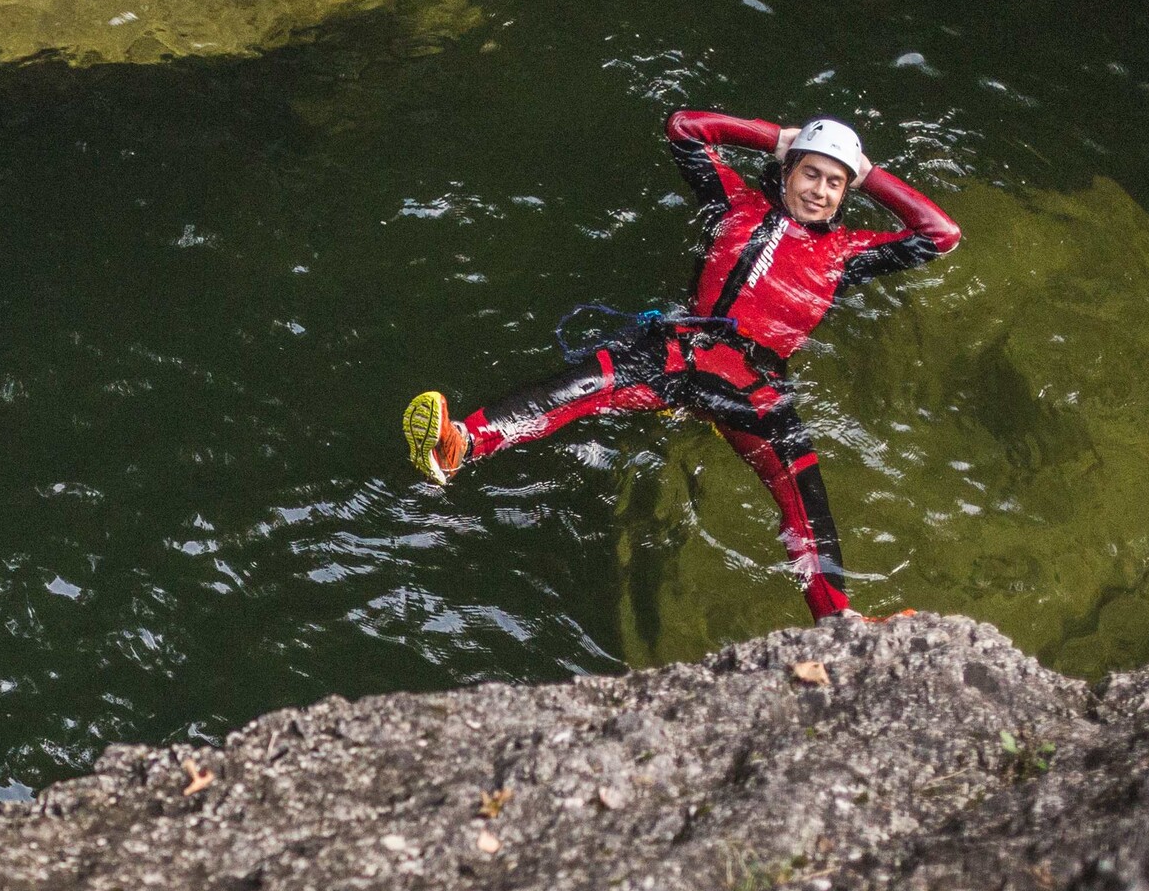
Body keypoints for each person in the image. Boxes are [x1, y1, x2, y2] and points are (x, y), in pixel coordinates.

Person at [401, 109, 960, 619]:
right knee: (576, 386)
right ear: (787, 172)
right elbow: (685, 128)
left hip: (753, 385)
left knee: (804, 497)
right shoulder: (734, 202)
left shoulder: (848, 254)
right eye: (810, 173)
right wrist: (779, 138)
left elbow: (941, 234)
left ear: (846, 193)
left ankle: (837, 620)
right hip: (679, 351)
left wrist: (869, 174)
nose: (819, 190)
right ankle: (459, 445)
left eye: (834, 182)